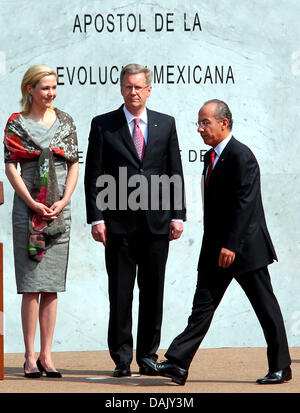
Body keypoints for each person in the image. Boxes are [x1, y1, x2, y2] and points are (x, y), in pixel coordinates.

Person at [142, 99, 291, 385]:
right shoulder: (212, 157)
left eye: (205, 122)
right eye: (198, 123)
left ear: (224, 123)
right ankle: (178, 363)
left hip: (244, 250)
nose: (199, 129)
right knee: (202, 308)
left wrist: (232, 245)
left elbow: (245, 206)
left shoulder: (241, 156)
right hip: (215, 251)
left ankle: (281, 367)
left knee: (266, 308)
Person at [84, 63, 186, 377]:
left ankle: (148, 357)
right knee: (121, 293)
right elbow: (94, 174)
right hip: (118, 226)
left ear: (149, 89)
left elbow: (174, 171)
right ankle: (121, 359)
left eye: (139, 87)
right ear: (121, 88)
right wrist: (96, 219)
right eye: (128, 87)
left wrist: (178, 215)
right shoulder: (104, 125)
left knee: (153, 293)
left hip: (157, 224)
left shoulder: (165, 124)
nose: (133, 92)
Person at [4, 65, 79, 378]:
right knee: (32, 286)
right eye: (45, 88)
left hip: (59, 212)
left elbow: (74, 165)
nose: (51, 93)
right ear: (30, 90)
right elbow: (11, 168)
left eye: (54, 87)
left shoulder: (66, 122)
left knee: (51, 288)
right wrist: (31, 202)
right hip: (29, 212)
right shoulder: (16, 124)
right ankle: (30, 357)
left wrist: (63, 201)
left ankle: (48, 357)